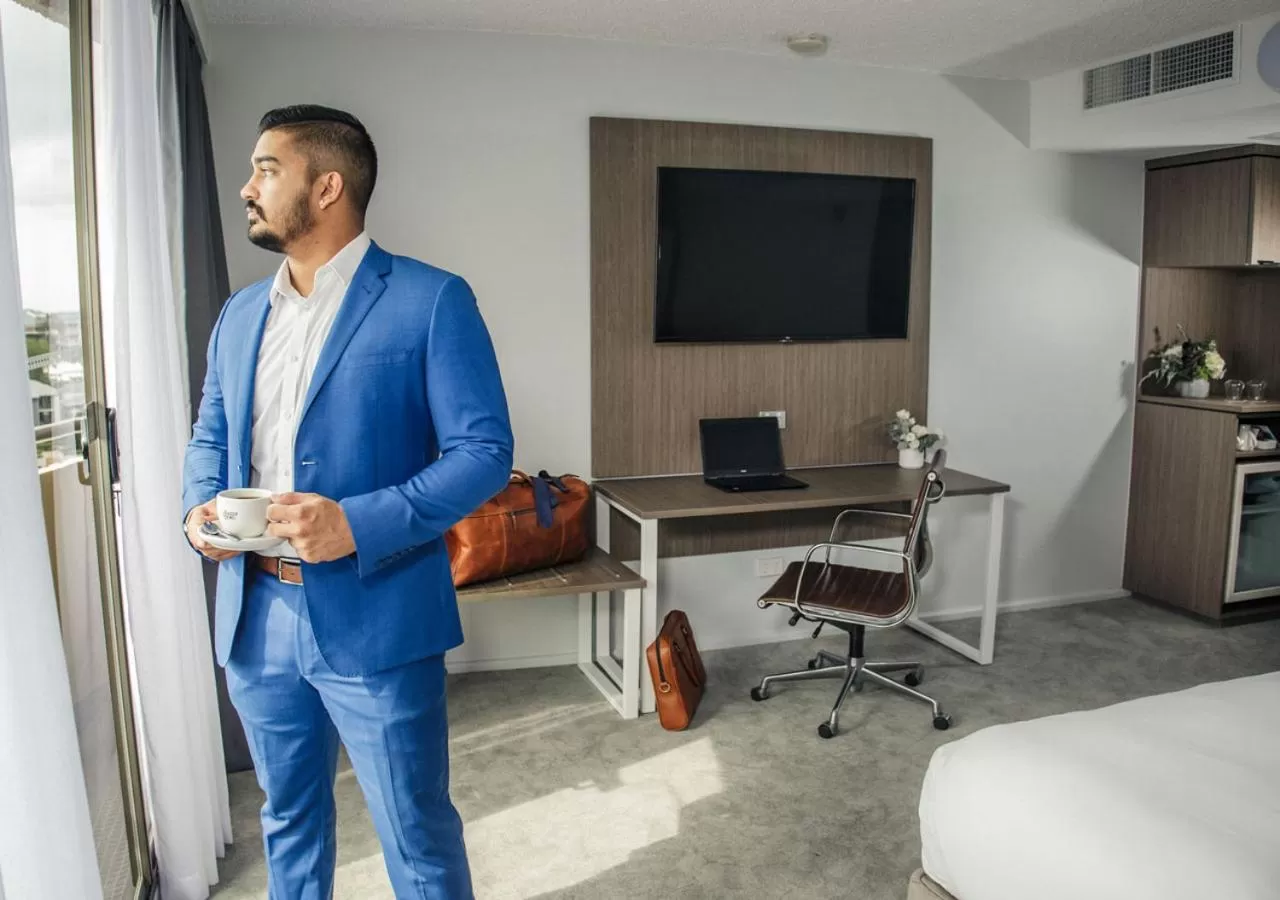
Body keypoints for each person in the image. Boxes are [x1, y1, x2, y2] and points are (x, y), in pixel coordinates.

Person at [181, 104, 512, 899]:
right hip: (255, 612)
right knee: (287, 819)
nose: (245, 188)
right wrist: (198, 512)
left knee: (415, 828)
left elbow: (484, 455)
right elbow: (210, 435)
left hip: (380, 613)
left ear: (327, 186)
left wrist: (355, 524)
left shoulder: (431, 299)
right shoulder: (237, 316)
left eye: (266, 169)